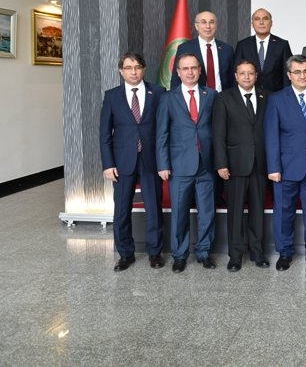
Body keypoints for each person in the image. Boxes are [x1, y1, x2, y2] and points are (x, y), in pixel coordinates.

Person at [99, 52, 165, 271]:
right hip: (122, 161)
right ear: (121, 71)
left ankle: (155, 253)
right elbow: (104, 133)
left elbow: (164, 129)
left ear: (143, 69)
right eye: (128, 68)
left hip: (151, 160)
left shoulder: (158, 92)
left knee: (153, 208)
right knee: (121, 210)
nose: (133, 72)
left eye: (137, 67)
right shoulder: (112, 96)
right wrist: (108, 164)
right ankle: (125, 254)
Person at [265, 54, 306, 271]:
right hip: (286, 167)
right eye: (297, 72)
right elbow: (271, 135)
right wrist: (273, 167)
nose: (302, 76)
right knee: (284, 212)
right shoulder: (277, 99)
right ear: (289, 75)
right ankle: (285, 252)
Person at [156, 53, 218, 273]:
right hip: (179, 165)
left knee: (207, 212)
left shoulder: (211, 95)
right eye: (185, 68)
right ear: (178, 72)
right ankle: (180, 255)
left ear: (200, 70)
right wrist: (163, 164)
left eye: (194, 68)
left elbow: (218, 130)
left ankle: (204, 252)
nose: (190, 72)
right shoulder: (168, 98)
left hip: (207, 164)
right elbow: (162, 134)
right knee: (179, 213)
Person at [212, 59, 270, 272]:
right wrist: (221, 163)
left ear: (256, 76)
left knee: (257, 210)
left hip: (260, 163)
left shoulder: (267, 96)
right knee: (235, 211)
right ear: (235, 76)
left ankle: (257, 252)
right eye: (242, 73)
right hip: (234, 164)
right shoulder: (224, 98)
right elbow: (218, 134)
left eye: (250, 73)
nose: (247, 77)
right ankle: (235, 255)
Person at [171, 10, 235, 91]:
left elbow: (233, 78)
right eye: (203, 22)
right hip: (196, 97)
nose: (208, 26)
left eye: (211, 22)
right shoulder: (185, 48)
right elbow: (176, 78)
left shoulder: (227, 49)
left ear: (216, 25)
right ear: (196, 26)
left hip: (222, 96)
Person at [234, 8, 292, 93]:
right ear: (252, 24)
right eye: (257, 19)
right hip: (249, 95)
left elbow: (288, 73)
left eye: (265, 19)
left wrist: (286, 95)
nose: (261, 22)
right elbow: (237, 72)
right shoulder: (243, 45)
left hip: (276, 94)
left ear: (271, 23)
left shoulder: (282, 44)